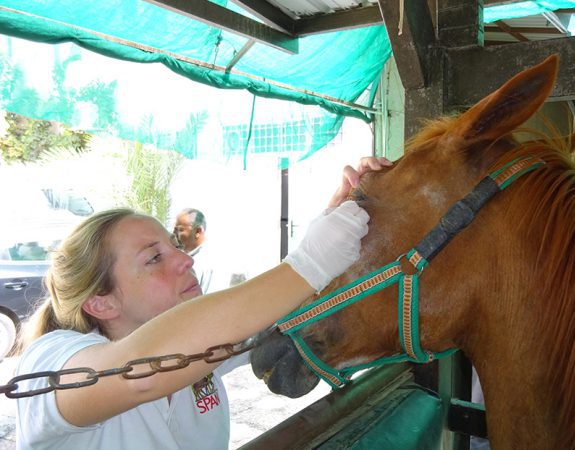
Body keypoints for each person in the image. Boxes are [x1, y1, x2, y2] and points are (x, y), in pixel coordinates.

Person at [14, 156, 393, 450]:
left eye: (173, 246)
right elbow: (138, 376)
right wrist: (309, 262)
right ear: (101, 302)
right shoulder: (51, 359)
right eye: (153, 258)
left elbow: (270, 307)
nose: (186, 259)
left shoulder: (201, 343)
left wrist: (338, 215)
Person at [173, 208, 213, 294]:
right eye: (174, 230)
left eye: (180, 230)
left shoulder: (206, 261)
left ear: (198, 231)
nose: (174, 234)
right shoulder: (186, 256)